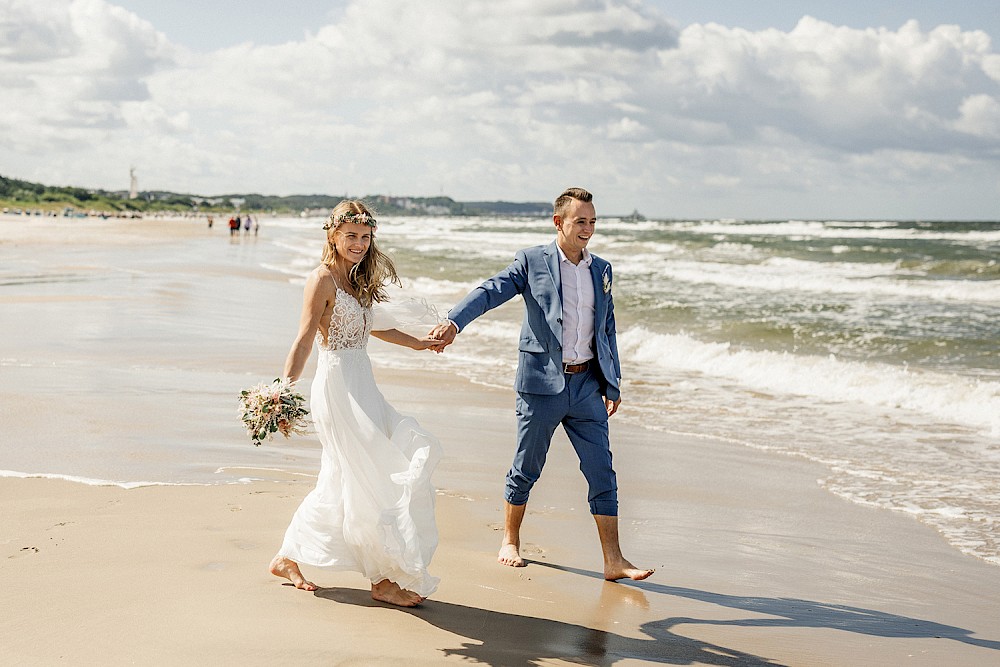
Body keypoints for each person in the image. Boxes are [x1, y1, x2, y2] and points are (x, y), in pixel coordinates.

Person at [430, 187, 653, 582]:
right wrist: (454, 321)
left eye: (593, 221)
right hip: (540, 385)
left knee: (603, 471)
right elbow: (491, 291)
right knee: (526, 468)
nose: (588, 229)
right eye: (580, 221)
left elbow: (607, 328)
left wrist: (613, 382)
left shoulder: (601, 269)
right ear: (559, 222)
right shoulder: (532, 261)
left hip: (587, 386)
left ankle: (614, 560)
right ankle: (510, 540)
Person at [268, 199, 444, 607]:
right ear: (333, 235)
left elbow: (378, 328)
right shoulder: (323, 279)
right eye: (351, 236)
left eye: (365, 237)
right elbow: (305, 338)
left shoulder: (357, 280)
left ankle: (286, 556)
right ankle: (381, 581)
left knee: (346, 478)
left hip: (363, 384)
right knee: (373, 474)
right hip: (336, 388)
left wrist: (419, 344)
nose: (359, 244)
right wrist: (281, 390)